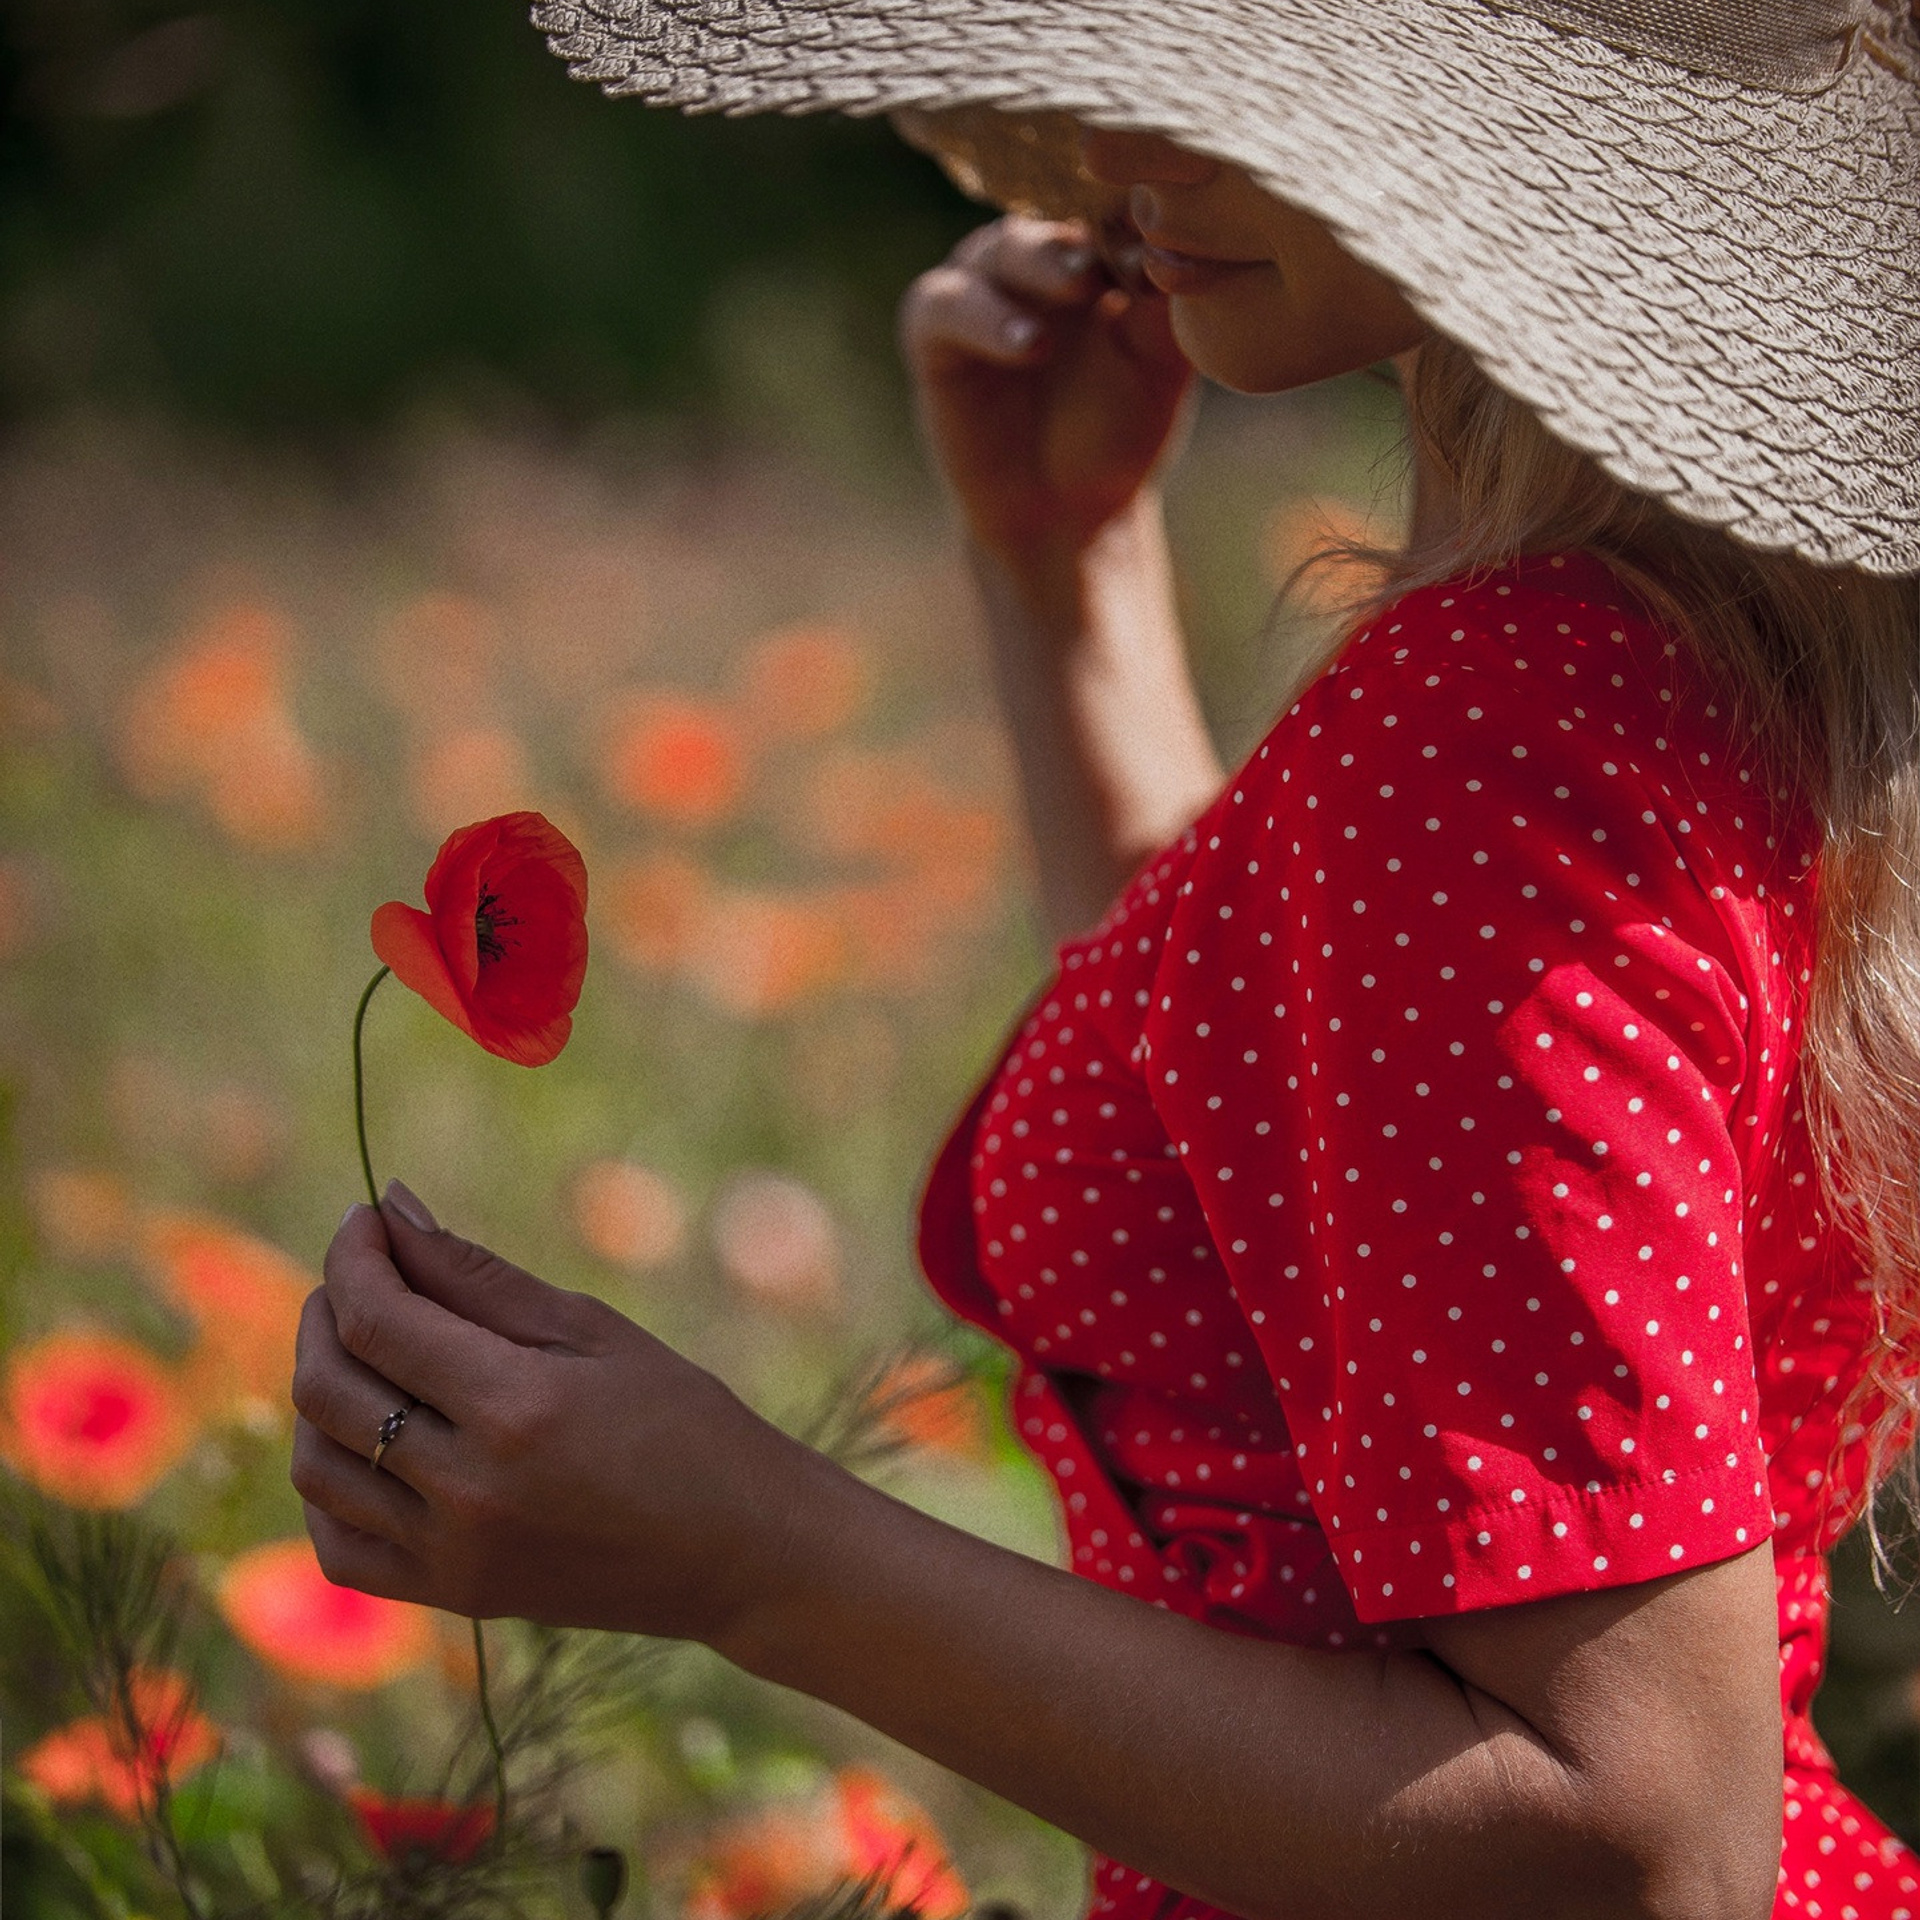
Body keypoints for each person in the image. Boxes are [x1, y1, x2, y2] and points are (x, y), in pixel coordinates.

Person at [293, 3, 1920, 1915]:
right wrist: (1062, 568)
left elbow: (1642, 1836)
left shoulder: (1483, 729)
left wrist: (747, 1549)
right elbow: (1306, 1124)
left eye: (1265, 74)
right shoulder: (1692, 649)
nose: (1142, 148)